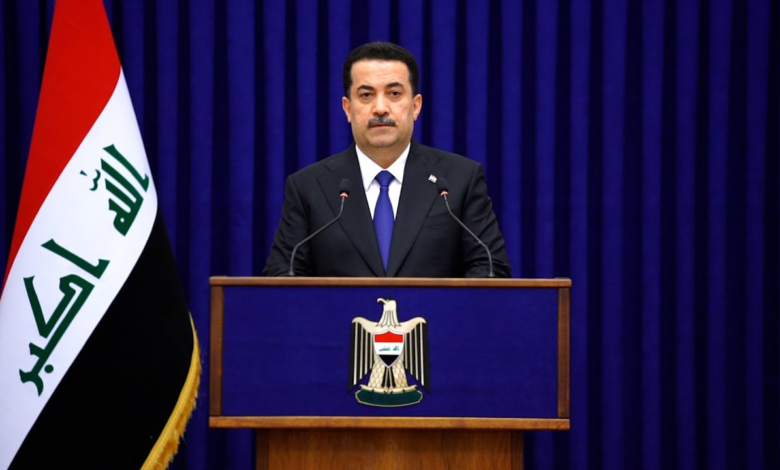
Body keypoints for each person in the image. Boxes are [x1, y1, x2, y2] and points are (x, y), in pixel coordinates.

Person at [263, 42, 510, 278]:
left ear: (416, 106)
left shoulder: (459, 180)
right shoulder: (309, 186)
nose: (380, 108)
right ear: (348, 109)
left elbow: (490, 268)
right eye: (366, 95)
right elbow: (283, 276)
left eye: (394, 93)